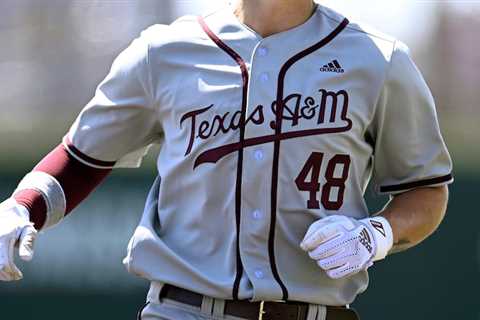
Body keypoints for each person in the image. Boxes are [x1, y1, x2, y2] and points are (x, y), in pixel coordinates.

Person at [0, 0, 453, 319]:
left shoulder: (378, 60)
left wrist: (377, 233)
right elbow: (82, 158)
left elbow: (427, 189)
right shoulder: (164, 52)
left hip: (316, 312)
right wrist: (22, 206)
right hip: (182, 310)